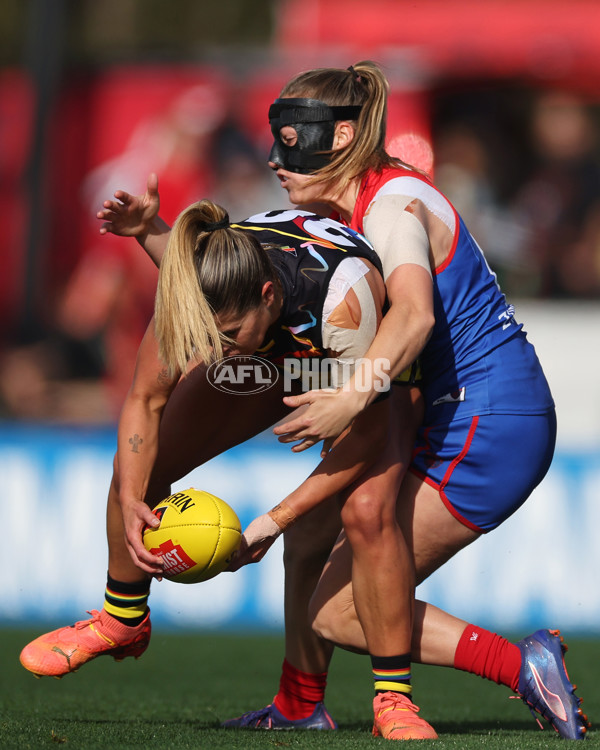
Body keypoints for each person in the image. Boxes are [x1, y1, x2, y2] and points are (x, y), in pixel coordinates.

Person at [216, 61, 588, 740]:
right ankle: (300, 705)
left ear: (345, 137)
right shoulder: (346, 210)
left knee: (341, 607)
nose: (276, 157)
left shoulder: (391, 207)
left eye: (294, 139)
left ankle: (517, 666)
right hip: (456, 409)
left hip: (487, 420)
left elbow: (414, 317)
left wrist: (347, 399)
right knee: (307, 538)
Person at [19, 197, 439, 740]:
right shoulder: (195, 295)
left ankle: (394, 700)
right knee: (135, 469)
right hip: (274, 352)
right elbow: (145, 400)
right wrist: (129, 502)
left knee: (363, 511)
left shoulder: (344, 300)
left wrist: (272, 520)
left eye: (227, 333)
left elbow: (370, 433)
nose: (215, 353)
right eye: (205, 338)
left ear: (267, 296)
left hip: (355, 368)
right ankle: (122, 619)